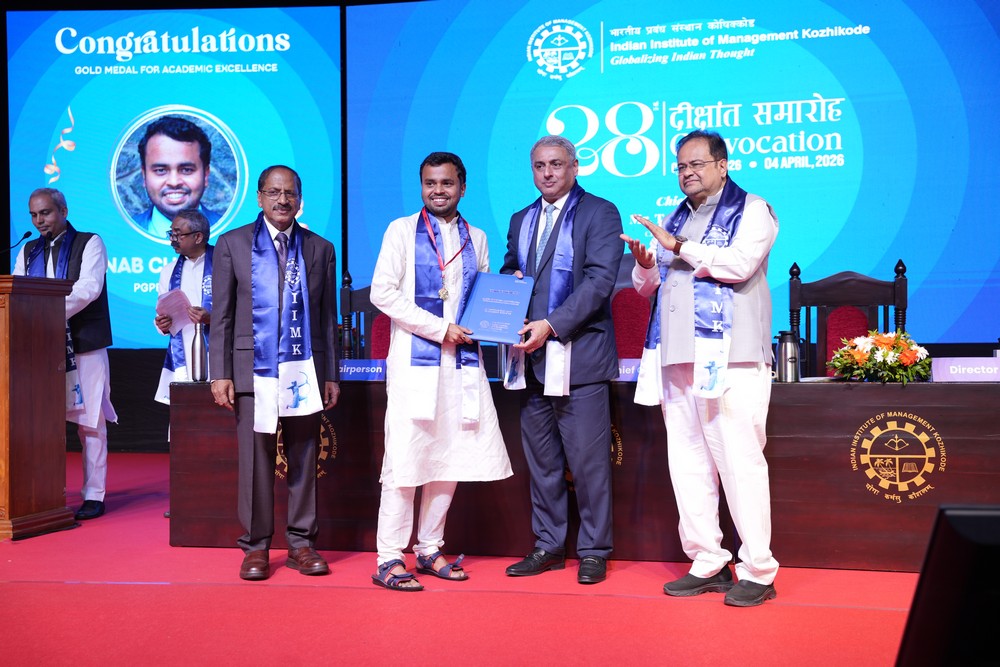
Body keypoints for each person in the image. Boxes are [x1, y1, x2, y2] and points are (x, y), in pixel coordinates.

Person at [624, 129, 780, 607]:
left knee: (739, 461)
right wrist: (646, 265)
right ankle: (708, 559)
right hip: (677, 357)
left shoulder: (753, 209)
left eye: (697, 164)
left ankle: (759, 569)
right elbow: (649, 288)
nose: (687, 173)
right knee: (688, 462)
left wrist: (678, 246)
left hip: (731, 359)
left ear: (723, 165)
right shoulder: (676, 217)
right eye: (681, 166)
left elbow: (739, 265)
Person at [368, 152, 512, 591]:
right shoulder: (400, 231)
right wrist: (439, 328)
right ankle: (390, 557)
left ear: (462, 187)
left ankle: (429, 548)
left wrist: (506, 303)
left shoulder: (476, 237)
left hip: (462, 367)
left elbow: (482, 298)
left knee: (449, 457)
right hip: (415, 365)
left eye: (446, 183)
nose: (438, 191)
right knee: (406, 461)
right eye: (430, 183)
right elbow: (382, 293)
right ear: (421, 187)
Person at [501, 135, 623, 585]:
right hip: (530, 361)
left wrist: (551, 325)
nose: (548, 173)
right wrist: (509, 288)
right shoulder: (521, 218)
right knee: (543, 463)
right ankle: (548, 545)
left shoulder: (600, 212)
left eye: (556, 164)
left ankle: (593, 550)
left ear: (575, 166)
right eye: (539, 165)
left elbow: (600, 281)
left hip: (580, 358)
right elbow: (512, 269)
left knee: (589, 465)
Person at [209, 165, 340, 581]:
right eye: (274, 192)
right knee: (256, 460)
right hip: (252, 370)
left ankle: (301, 544)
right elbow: (222, 315)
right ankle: (256, 547)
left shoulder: (320, 248)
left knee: (304, 457)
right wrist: (220, 372)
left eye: (290, 193)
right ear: (260, 197)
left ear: (299, 199)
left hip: (304, 369)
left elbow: (327, 317)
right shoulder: (232, 244)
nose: (282, 200)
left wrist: (331, 374)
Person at [14, 188, 117, 521]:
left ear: (63, 211)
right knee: (39, 423)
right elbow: (17, 290)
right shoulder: (28, 249)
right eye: (34, 215)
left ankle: (94, 494)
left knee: (90, 423)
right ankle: (43, 494)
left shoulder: (90, 242)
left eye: (45, 213)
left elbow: (89, 289)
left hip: (84, 343)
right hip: (39, 348)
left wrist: (44, 311)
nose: (39, 221)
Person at [154, 209, 213, 404]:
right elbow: (162, 310)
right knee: (186, 415)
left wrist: (211, 318)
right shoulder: (168, 271)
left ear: (198, 237)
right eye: (171, 233)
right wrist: (162, 324)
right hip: (184, 352)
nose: (172, 239)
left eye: (178, 234)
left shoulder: (225, 262)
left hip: (219, 351)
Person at [136, 115, 222, 239]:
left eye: (186, 170)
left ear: (206, 174)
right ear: (144, 175)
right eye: (160, 170)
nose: (174, 182)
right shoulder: (121, 234)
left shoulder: (231, 233)